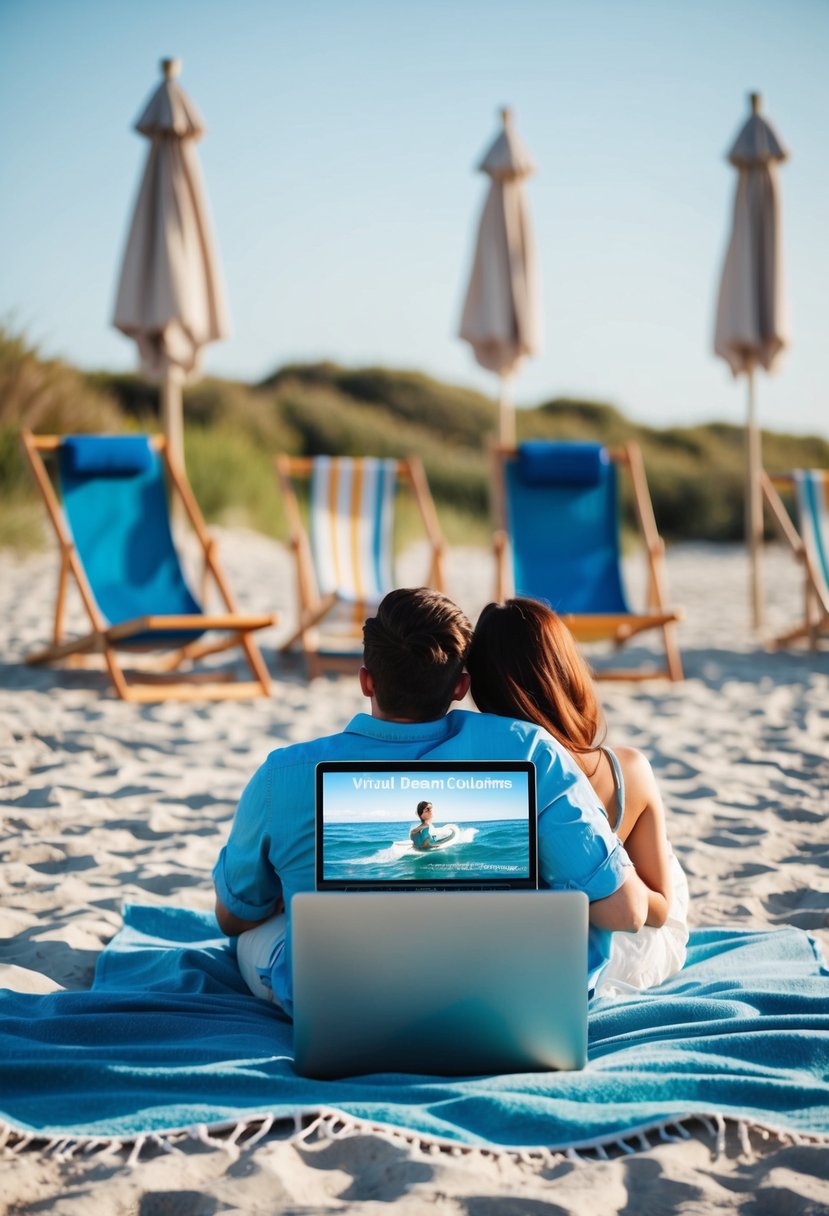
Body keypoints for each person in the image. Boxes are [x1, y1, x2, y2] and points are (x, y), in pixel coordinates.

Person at [213, 587, 650, 1016]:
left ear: (367, 679)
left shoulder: (283, 773)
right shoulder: (530, 750)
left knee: (259, 933)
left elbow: (234, 916)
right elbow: (626, 911)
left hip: (344, 1007)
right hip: (501, 1004)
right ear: (461, 686)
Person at [466, 597, 689, 995]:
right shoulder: (626, 770)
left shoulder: (480, 772)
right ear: (565, 670)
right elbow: (658, 909)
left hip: (512, 954)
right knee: (665, 865)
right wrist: (617, 879)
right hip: (608, 955)